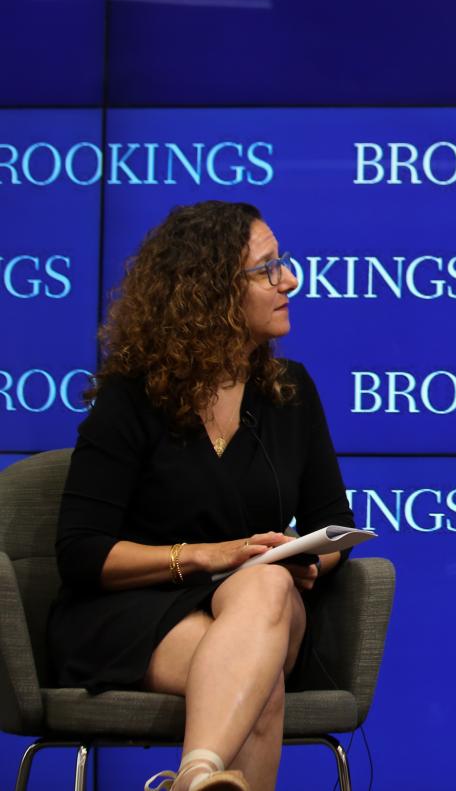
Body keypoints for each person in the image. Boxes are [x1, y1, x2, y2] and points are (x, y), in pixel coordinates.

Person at [49, 201, 355, 791]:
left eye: (283, 264)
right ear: (212, 290)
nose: (288, 280)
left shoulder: (291, 392)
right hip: (135, 616)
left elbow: (333, 521)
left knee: (267, 584)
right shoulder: (132, 398)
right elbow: (82, 552)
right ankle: (202, 779)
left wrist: (309, 555)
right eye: (267, 269)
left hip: (259, 605)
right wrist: (208, 554)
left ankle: (191, 778)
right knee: (257, 680)